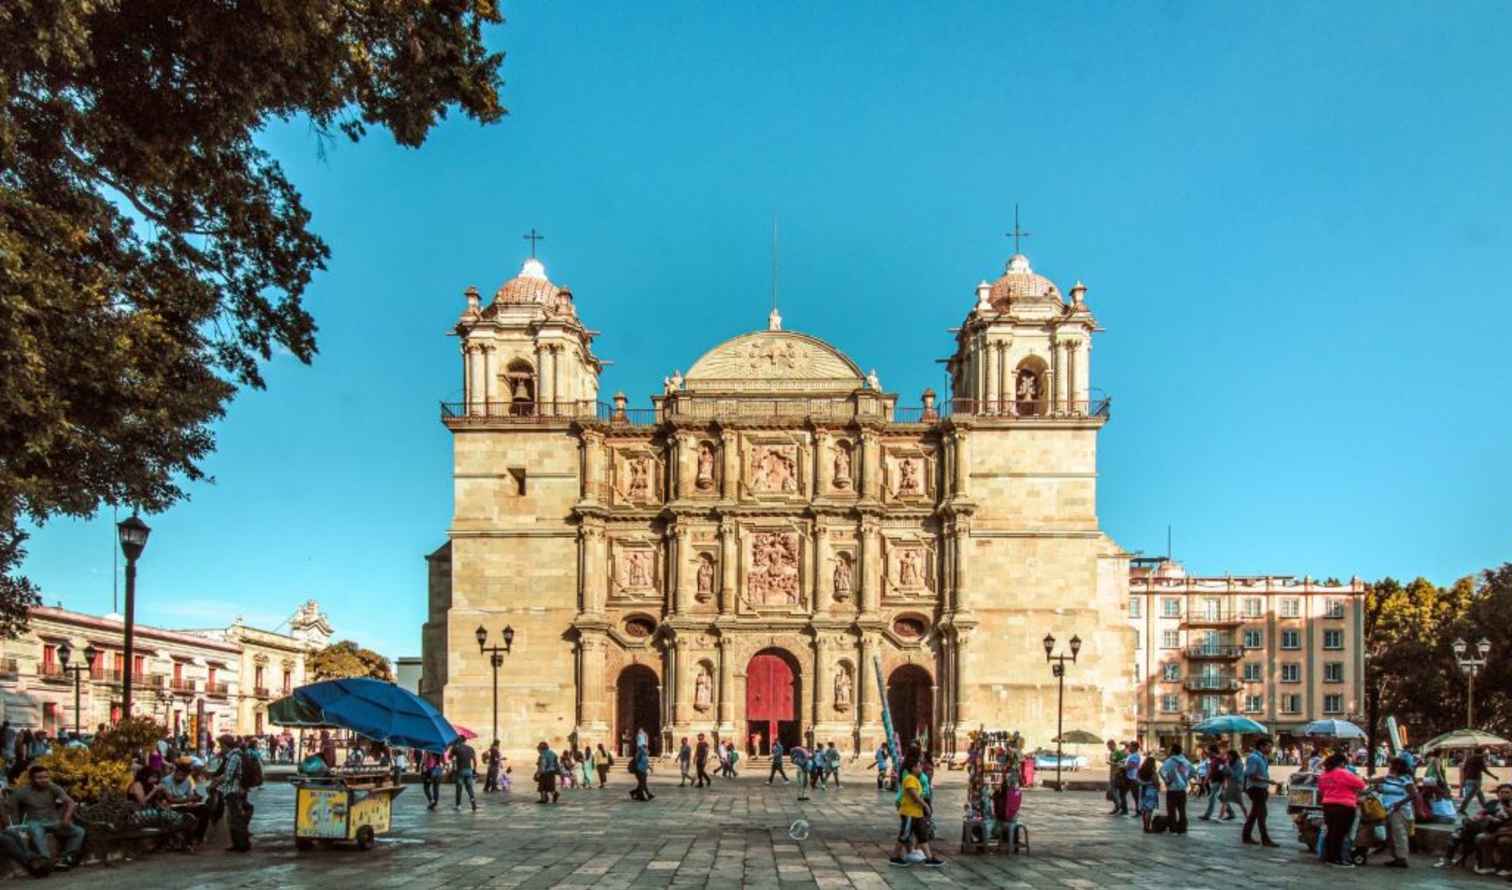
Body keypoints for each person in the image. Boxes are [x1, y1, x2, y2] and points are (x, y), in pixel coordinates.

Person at [14, 765, 85, 869]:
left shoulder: (52, 787)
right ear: (32, 779)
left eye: (46, 777)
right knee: (36, 831)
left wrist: (66, 819)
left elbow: (70, 802)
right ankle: (45, 859)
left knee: (79, 831)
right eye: (39, 778)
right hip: (34, 822)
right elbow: (10, 807)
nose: (44, 780)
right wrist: (16, 826)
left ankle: (65, 859)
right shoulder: (22, 792)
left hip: (53, 821)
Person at [1438, 783, 1512, 869]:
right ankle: (1449, 860)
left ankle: (1455, 859)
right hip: (1483, 826)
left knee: (1465, 833)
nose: (1504, 794)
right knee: (1458, 833)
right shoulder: (1493, 803)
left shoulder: (1510, 806)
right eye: (1502, 792)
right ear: (1498, 793)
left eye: (1507, 792)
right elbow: (1480, 814)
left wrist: (1496, 817)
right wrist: (1484, 817)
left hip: (1496, 830)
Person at [888, 755, 943, 868]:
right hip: (909, 813)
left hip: (917, 814)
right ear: (912, 768)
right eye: (919, 766)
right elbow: (914, 796)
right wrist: (925, 805)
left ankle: (930, 858)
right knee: (904, 836)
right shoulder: (909, 779)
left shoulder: (915, 779)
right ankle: (895, 857)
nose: (921, 768)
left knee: (922, 836)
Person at [1317, 752, 1366, 868]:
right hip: (1344, 806)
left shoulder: (1324, 775)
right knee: (1340, 833)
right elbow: (1361, 784)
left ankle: (1329, 857)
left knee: (1331, 832)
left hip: (1328, 805)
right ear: (1342, 763)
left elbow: (1321, 790)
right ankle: (1337, 859)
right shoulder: (1344, 773)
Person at [126, 765, 194, 846]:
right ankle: (174, 841)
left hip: (149, 812)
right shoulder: (137, 784)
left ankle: (175, 841)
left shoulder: (149, 785)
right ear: (145, 775)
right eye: (153, 777)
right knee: (172, 817)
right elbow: (142, 802)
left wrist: (162, 795)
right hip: (137, 814)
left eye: (156, 777)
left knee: (176, 816)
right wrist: (154, 790)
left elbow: (159, 801)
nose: (155, 780)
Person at [1373, 756, 1420, 869]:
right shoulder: (1390, 778)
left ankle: (1402, 857)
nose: (1390, 767)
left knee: (1399, 833)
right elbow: (1381, 784)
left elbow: (1413, 794)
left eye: (1391, 765)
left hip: (1399, 809)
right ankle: (1396, 857)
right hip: (1388, 808)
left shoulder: (1406, 779)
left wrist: (1399, 804)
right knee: (1391, 833)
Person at [213, 734, 253, 853]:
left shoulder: (234, 757)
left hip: (233, 791)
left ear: (226, 745)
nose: (221, 748)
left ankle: (241, 844)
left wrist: (215, 782)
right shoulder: (235, 755)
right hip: (233, 790)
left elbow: (228, 776)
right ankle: (237, 843)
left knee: (236, 818)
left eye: (221, 745)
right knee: (234, 818)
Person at [1242, 738, 1279, 847]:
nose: (1270, 748)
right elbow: (1250, 774)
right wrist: (1268, 781)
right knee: (1262, 814)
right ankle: (1265, 839)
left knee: (1255, 814)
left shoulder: (1264, 758)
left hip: (1261, 788)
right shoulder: (1254, 758)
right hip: (1255, 788)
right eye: (1268, 746)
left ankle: (1246, 836)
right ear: (1261, 747)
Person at [1160, 743, 1193, 834]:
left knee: (1171, 810)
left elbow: (1161, 771)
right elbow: (1193, 772)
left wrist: (1167, 780)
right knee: (1182, 810)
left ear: (1173, 751)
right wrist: (1186, 778)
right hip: (1182, 789)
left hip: (1172, 789)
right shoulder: (1185, 761)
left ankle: (1173, 828)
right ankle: (1183, 828)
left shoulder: (1169, 761)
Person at [1461, 747, 1498, 815]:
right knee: (1470, 795)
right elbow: (1484, 769)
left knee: (1479, 795)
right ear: (1481, 752)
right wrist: (1493, 776)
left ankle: (1486, 808)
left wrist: (1464, 779)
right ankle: (1462, 808)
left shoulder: (1469, 758)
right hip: (1476, 779)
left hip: (1468, 778)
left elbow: (1464, 769)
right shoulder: (1479, 759)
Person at [1199, 746, 1227, 821]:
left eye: (1209, 752)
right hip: (1214, 780)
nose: (1208, 753)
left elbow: (1224, 771)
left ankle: (1207, 815)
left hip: (1219, 781)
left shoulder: (1220, 760)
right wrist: (1206, 780)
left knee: (1211, 797)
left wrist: (1224, 782)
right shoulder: (1212, 760)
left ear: (1213, 752)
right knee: (1221, 797)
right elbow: (1211, 771)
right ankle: (1231, 813)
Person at [1136, 754, 1160, 832]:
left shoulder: (1140, 771)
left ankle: (1144, 826)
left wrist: (1144, 783)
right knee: (1149, 811)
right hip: (1151, 791)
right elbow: (1156, 782)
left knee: (1144, 810)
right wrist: (1157, 786)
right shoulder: (1153, 771)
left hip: (1143, 790)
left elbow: (1137, 780)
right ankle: (1147, 827)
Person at [1105, 739, 1127, 815]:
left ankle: (1118, 806)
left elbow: (1121, 763)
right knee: (1112, 792)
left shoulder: (1118, 753)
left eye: (1109, 746)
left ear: (1113, 745)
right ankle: (1118, 807)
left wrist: (1111, 763)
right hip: (1112, 774)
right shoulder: (1112, 753)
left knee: (1114, 791)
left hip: (1117, 774)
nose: (1108, 748)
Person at [1122, 742, 1142, 818]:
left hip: (1133, 778)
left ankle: (1138, 810)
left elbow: (1131, 766)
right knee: (1123, 793)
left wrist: (1123, 767)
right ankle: (1124, 809)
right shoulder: (1131, 755)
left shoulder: (1136, 756)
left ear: (1134, 747)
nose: (1129, 748)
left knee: (1135, 795)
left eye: (1130, 747)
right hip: (1129, 777)